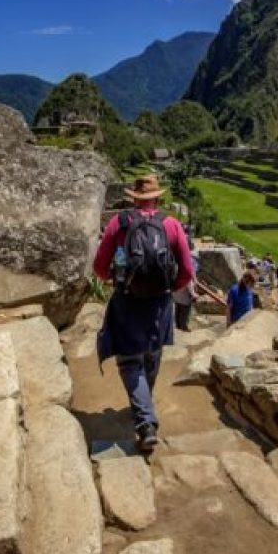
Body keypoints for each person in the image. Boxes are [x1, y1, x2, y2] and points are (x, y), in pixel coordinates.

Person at [94, 174, 194, 452]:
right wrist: (167, 288)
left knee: (129, 362)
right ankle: (144, 404)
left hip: (127, 301)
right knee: (152, 356)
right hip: (159, 305)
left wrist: (117, 276)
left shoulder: (119, 223)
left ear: (133, 198)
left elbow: (100, 268)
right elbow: (187, 271)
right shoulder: (171, 225)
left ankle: (145, 421)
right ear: (157, 198)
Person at [173, 241, 199, 332]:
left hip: (176, 293)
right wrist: (194, 294)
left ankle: (177, 326)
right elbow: (189, 282)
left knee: (177, 310)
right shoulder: (189, 264)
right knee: (185, 312)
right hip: (184, 296)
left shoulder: (177, 262)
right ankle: (184, 327)